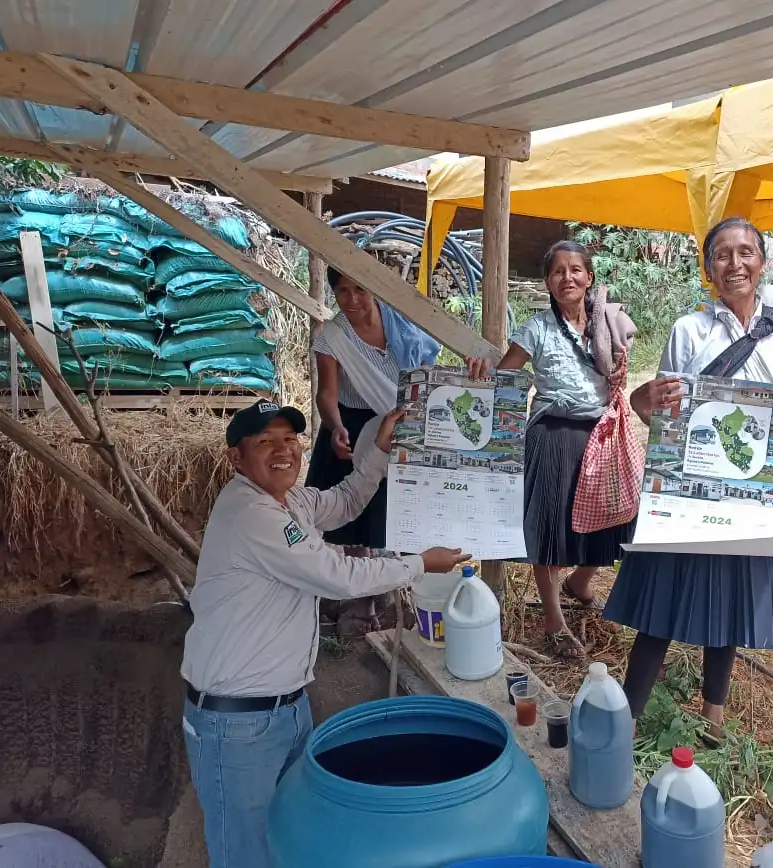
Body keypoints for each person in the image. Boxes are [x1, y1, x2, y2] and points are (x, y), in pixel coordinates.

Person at [181, 398, 469, 868]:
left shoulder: (290, 501)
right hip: (236, 726)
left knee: (291, 838)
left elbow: (348, 499)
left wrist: (376, 449)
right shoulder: (251, 514)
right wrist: (419, 564)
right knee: (245, 854)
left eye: (290, 439)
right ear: (236, 457)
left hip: (286, 709)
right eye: (265, 442)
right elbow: (339, 576)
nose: (284, 451)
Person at [603, 217, 773, 743]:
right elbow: (649, 407)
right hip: (687, 494)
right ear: (708, 268)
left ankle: (714, 717)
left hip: (752, 500)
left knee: (726, 603)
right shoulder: (689, 330)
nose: (735, 264)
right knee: (660, 601)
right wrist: (650, 399)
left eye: (745, 253)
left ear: (763, 262)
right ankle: (629, 718)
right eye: (722, 255)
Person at [466, 240, 636, 659]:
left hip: (600, 434)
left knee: (616, 514)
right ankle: (553, 619)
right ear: (547, 282)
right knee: (550, 524)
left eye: (576, 269)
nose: (567, 278)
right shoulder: (537, 329)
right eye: (558, 271)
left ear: (589, 277)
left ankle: (580, 581)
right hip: (552, 436)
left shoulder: (609, 324)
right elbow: (505, 375)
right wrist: (483, 373)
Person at [306, 266, 440, 549]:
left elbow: (426, 365)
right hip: (352, 428)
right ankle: (351, 586)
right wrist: (335, 426)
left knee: (390, 520)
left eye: (359, 290)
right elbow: (326, 394)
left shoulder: (399, 319)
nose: (352, 300)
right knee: (347, 527)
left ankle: (390, 586)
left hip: (399, 425)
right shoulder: (332, 337)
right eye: (342, 291)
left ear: (372, 289)